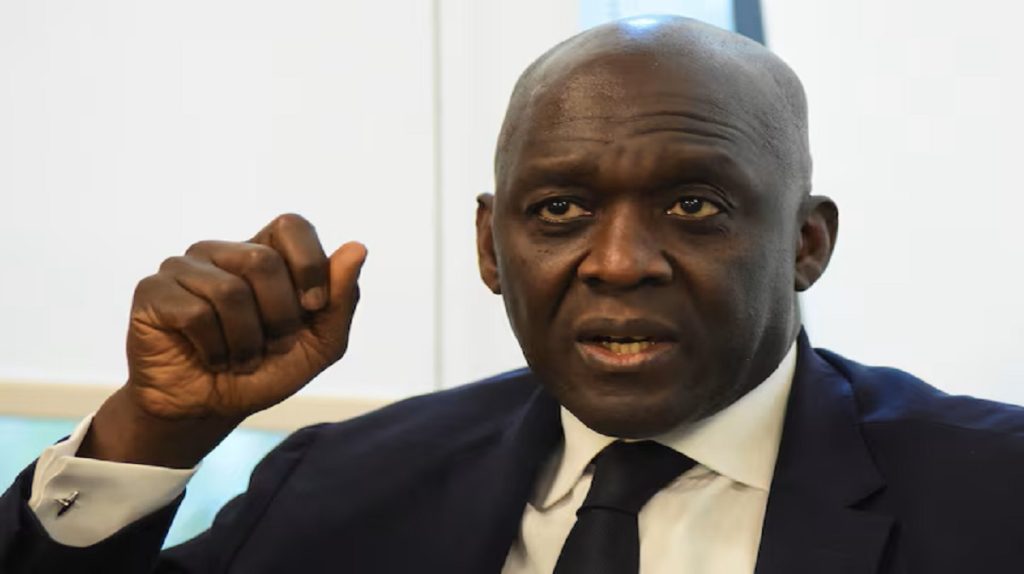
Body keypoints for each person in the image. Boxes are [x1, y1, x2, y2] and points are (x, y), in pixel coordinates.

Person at [2, 15, 1024, 574]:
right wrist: (154, 431)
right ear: (491, 248)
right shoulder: (337, 489)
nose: (617, 261)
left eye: (695, 205)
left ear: (806, 244)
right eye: (560, 210)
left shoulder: (993, 499)